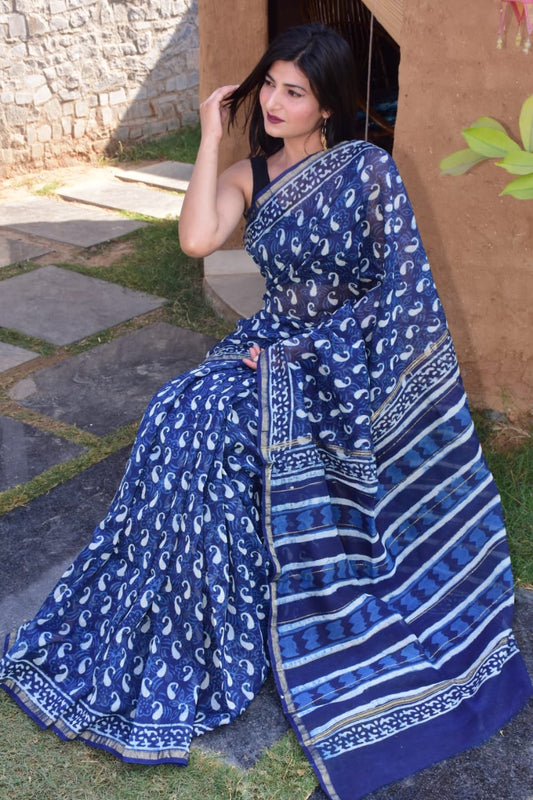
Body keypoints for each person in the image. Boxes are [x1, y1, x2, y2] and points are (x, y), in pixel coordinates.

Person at [0, 22, 531, 800]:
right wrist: (212, 134)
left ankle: (233, 616)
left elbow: (399, 289)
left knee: (219, 434)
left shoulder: (367, 170)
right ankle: (189, 618)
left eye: (296, 92)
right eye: (271, 86)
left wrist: (307, 357)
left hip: (337, 366)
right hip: (263, 349)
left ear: (327, 105)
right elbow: (197, 239)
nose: (276, 103)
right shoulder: (253, 174)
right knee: (176, 414)